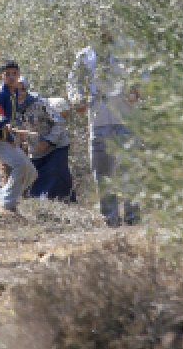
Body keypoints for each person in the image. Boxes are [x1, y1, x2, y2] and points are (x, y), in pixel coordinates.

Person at [67, 37, 138, 225]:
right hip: (99, 122)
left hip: (127, 120)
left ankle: (133, 219)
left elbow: (144, 75)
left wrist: (138, 90)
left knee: (130, 171)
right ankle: (110, 220)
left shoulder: (128, 49)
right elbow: (74, 82)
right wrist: (77, 99)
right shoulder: (84, 56)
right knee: (103, 175)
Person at [0, 60, 37, 213]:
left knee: (31, 173)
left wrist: (11, 137)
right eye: (8, 74)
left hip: (4, 138)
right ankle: (6, 206)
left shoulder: (14, 93)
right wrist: (1, 121)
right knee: (21, 165)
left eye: (15, 74)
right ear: (1, 77)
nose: (12, 77)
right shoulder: (0, 93)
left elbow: (11, 119)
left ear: (19, 75)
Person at [15, 79, 75, 202]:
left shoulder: (40, 103)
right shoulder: (10, 106)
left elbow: (58, 122)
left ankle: (66, 203)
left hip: (56, 146)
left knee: (55, 175)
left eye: (23, 89)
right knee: (36, 182)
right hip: (36, 151)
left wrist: (47, 141)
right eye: (16, 89)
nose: (19, 92)